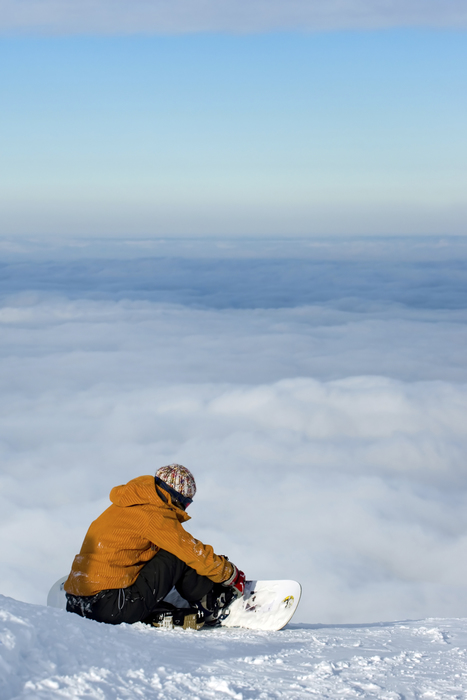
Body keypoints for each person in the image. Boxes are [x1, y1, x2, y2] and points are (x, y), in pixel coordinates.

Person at [64, 464, 245, 627]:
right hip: (115, 605)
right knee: (177, 554)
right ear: (176, 498)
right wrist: (230, 574)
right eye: (186, 503)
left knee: (158, 552)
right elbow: (190, 550)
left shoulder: (125, 504)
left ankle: (160, 615)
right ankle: (212, 603)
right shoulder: (154, 514)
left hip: (79, 603)